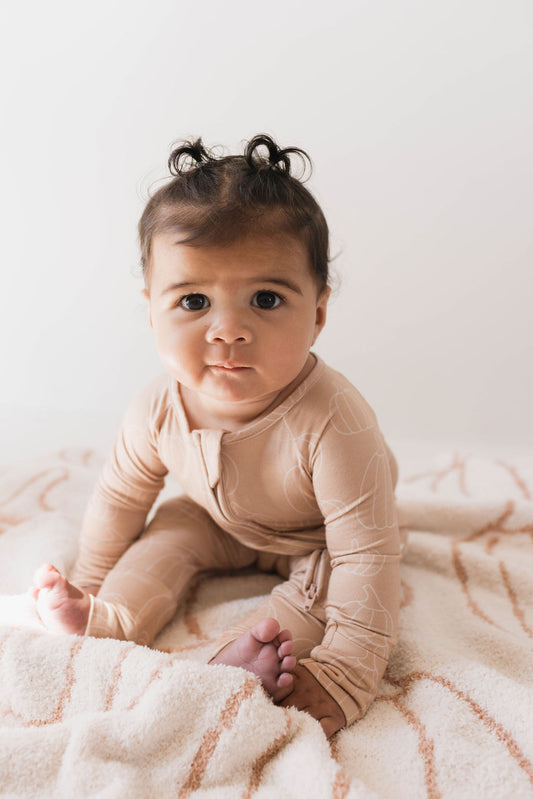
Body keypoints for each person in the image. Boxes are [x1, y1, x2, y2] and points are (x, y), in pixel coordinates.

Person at [32, 134, 402, 738]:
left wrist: (348, 674)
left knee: (331, 587)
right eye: (195, 300)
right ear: (152, 310)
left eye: (265, 299)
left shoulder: (336, 419)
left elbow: (367, 554)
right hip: (220, 520)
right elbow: (121, 500)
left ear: (318, 313)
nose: (228, 331)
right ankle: (111, 617)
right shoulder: (158, 406)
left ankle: (247, 659)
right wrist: (94, 577)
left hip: (319, 537)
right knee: (168, 533)